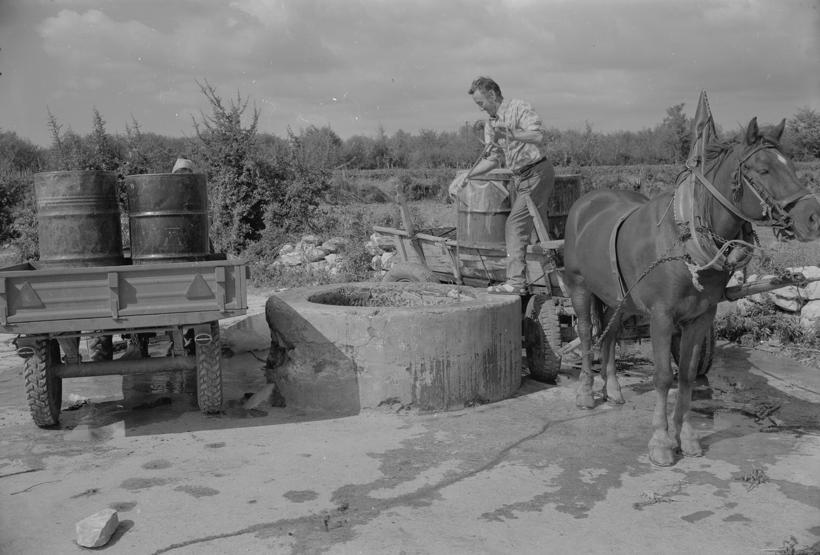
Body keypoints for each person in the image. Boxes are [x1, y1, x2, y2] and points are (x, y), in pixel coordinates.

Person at [453, 76, 555, 294]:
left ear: (492, 95)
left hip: (537, 172)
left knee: (514, 225)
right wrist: (467, 176)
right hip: (520, 178)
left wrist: (514, 134)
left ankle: (516, 282)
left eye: (481, 103)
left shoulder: (519, 107)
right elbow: (493, 159)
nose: (481, 108)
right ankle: (551, 276)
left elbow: (539, 136)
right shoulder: (491, 124)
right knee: (537, 228)